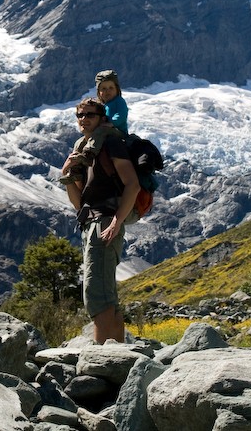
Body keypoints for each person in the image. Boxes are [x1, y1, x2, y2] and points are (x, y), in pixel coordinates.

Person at [61, 98, 140, 344]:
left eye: (90, 115)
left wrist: (117, 221)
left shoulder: (111, 143)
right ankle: (116, 354)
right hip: (90, 222)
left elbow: (133, 185)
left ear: (102, 117)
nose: (84, 119)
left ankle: (103, 359)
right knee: (105, 294)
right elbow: (79, 200)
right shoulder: (84, 149)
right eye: (80, 115)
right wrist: (67, 172)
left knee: (97, 296)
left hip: (104, 223)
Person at [59, 69, 130, 185]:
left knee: (100, 131)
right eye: (103, 89)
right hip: (106, 130)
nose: (107, 91)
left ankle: (89, 154)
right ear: (98, 92)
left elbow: (121, 115)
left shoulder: (119, 101)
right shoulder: (104, 105)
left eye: (111, 88)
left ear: (117, 89)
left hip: (118, 132)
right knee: (80, 142)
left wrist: (112, 123)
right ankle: (74, 170)